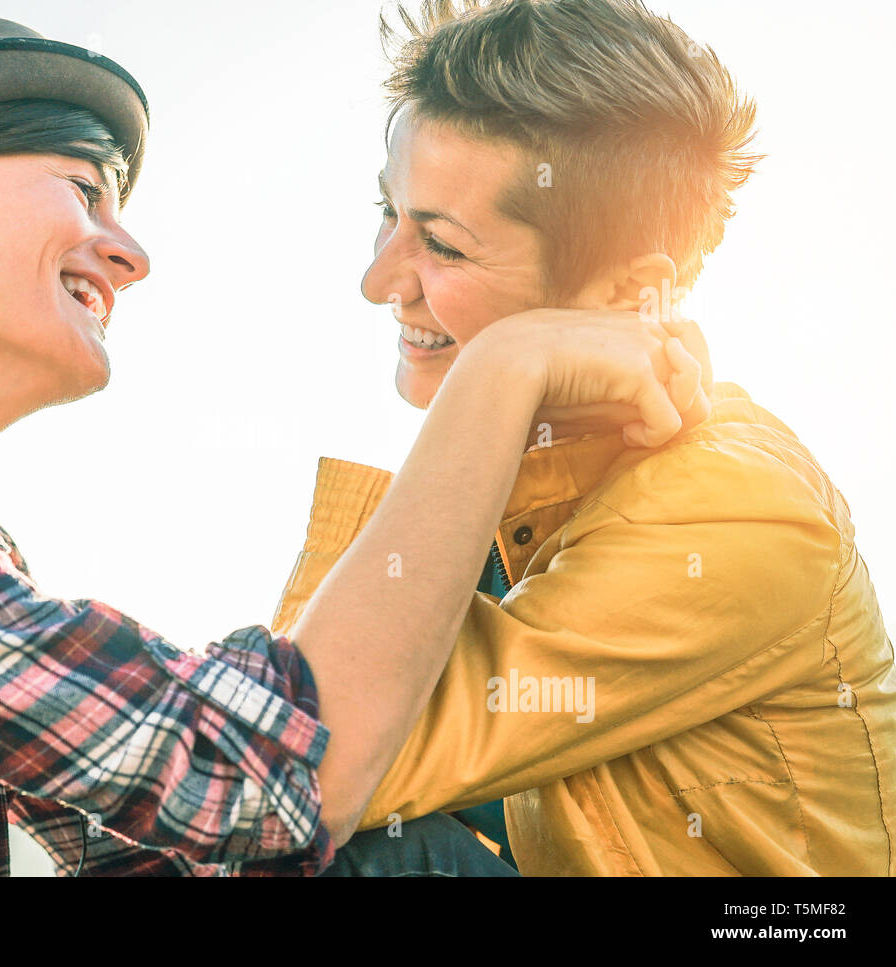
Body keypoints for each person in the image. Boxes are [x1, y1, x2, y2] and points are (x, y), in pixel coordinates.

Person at [0, 13, 705, 876]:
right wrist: (501, 372)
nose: (128, 252)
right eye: (87, 191)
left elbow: (170, 837)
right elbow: (260, 777)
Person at [277, 0, 894, 876]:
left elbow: (298, 768)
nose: (378, 280)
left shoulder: (732, 509)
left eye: (442, 247)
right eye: (389, 212)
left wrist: (497, 371)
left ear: (623, 293)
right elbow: (253, 753)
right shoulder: (515, 504)